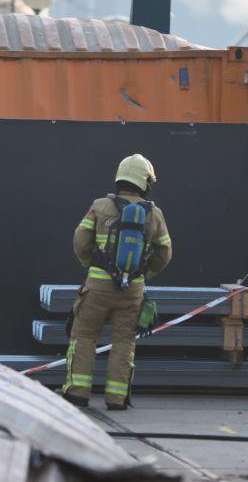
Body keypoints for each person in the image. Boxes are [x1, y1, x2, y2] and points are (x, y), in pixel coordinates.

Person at [64, 154, 172, 411]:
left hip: (97, 288)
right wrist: (144, 275)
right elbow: (165, 253)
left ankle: (77, 393)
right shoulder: (154, 213)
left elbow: (80, 240)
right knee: (124, 342)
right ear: (145, 182)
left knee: (85, 337)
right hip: (132, 291)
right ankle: (116, 398)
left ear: (120, 177)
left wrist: (92, 265)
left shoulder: (100, 206)